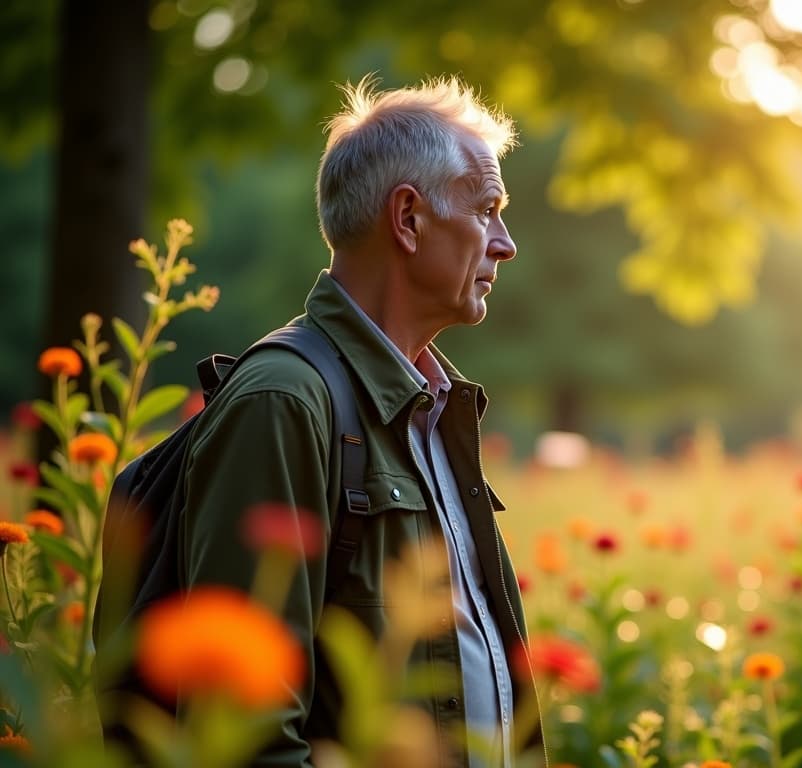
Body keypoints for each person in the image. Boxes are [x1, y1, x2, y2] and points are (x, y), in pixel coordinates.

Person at [173, 75, 543, 766]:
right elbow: (240, 734)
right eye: (487, 209)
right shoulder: (284, 402)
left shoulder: (436, 407)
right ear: (408, 219)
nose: (505, 243)